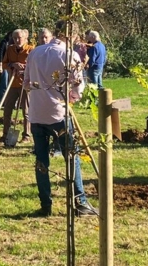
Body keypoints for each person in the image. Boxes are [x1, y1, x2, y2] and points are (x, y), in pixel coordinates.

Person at [24, 27, 96, 217]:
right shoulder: (69, 55)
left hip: (37, 114)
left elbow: (26, 84)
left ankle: (45, 205)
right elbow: (77, 87)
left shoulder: (35, 52)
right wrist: (72, 97)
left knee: (41, 161)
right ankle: (80, 203)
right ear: (71, 35)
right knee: (72, 158)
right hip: (59, 114)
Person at [1, 29, 34, 142]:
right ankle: (5, 135)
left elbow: (35, 66)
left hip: (25, 84)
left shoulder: (31, 50)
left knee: (26, 111)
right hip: (12, 84)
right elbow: (4, 64)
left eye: (19, 38)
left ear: (25, 38)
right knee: (7, 109)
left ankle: (26, 135)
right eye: (15, 38)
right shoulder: (10, 49)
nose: (17, 40)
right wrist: (12, 64)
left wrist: (24, 68)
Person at [0, 31, 14, 103]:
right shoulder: (4, 42)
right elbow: (0, 53)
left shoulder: (14, 44)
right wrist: (0, 65)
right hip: (4, 65)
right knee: (4, 83)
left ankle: (9, 101)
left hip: (11, 66)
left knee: (11, 84)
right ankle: (2, 101)